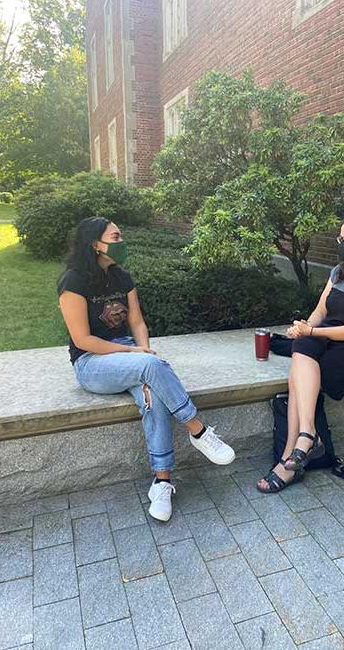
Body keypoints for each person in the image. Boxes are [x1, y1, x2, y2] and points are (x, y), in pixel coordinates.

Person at [58, 217, 235, 521]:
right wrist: (136, 354)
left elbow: (137, 322)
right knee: (149, 365)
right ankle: (197, 429)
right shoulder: (73, 281)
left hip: (130, 356)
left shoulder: (122, 277)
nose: (121, 241)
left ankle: (162, 481)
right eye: (115, 236)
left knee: (152, 395)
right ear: (95, 244)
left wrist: (144, 348)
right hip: (91, 363)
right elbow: (83, 339)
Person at [257, 213, 344, 492]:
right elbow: (321, 312)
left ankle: (288, 458)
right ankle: (308, 437)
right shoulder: (339, 271)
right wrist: (304, 327)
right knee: (302, 349)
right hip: (330, 338)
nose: (343, 243)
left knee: (300, 375)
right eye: (341, 238)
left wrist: (313, 333)